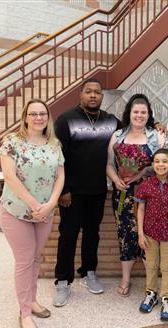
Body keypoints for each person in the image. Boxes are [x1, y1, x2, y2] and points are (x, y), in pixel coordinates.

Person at [0, 98, 65, 328]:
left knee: (36, 258)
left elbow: (60, 175)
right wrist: (36, 205)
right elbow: (9, 176)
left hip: (44, 213)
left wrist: (51, 204)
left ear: (48, 118)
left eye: (43, 114)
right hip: (17, 212)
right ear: (25, 117)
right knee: (25, 260)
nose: (38, 118)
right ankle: (24, 312)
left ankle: (33, 300)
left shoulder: (54, 144)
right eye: (33, 114)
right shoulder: (12, 142)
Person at [53, 78, 121, 306]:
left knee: (92, 234)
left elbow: (133, 130)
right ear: (80, 95)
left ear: (102, 97)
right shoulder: (65, 120)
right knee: (68, 236)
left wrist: (156, 125)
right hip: (71, 193)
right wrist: (63, 190)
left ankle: (89, 272)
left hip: (97, 190)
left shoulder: (111, 122)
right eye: (89, 92)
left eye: (97, 92)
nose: (93, 95)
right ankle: (63, 280)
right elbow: (57, 158)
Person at [106, 94, 166, 297]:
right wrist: (116, 180)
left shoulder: (156, 136)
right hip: (123, 193)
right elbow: (108, 164)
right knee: (125, 235)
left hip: (148, 195)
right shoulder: (117, 135)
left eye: (143, 112)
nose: (139, 115)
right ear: (129, 113)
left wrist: (141, 174)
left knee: (148, 235)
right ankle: (125, 279)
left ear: (148, 114)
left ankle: (152, 284)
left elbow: (161, 165)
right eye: (135, 112)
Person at [135, 148, 168, 321]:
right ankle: (151, 294)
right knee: (151, 265)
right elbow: (140, 210)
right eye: (157, 161)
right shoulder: (145, 185)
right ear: (152, 164)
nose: (160, 165)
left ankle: (166, 298)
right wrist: (140, 233)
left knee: (167, 267)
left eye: (164, 161)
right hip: (150, 232)